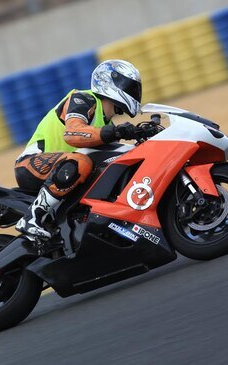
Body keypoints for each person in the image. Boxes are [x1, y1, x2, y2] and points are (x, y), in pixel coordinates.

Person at [14, 59, 149, 244]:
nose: (134, 93)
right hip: (32, 164)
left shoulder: (106, 123)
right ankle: (33, 217)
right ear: (110, 83)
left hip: (63, 171)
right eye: (130, 87)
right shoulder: (83, 99)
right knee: (82, 162)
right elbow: (72, 134)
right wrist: (116, 132)